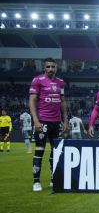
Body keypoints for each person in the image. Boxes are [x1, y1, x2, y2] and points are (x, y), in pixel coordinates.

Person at [29, 57, 68, 191]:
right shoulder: (37, 80)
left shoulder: (60, 82)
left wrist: (65, 120)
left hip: (56, 122)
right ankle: (36, 182)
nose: (50, 69)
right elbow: (31, 101)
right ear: (44, 68)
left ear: (56, 67)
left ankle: (53, 179)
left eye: (53, 67)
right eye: (48, 67)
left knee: (55, 151)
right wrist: (36, 120)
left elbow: (62, 102)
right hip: (42, 121)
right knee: (40, 150)